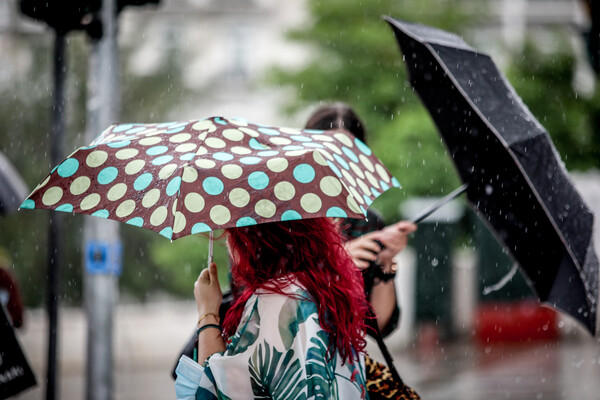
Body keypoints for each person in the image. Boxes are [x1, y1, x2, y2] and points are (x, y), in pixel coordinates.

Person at [174, 218, 371, 399]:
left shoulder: (274, 304)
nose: (227, 243)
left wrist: (207, 312)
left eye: (232, 233)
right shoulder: (325, 289)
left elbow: (218, 391)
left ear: (253, 241)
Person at [304, 103, 417, 336]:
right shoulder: (279, 220)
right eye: (325, 152)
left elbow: (379, 326)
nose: (335, 164)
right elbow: (259, 299)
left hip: (343, 362)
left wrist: (385, 263)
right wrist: (336, 259)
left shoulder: (367, 223)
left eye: (347, 155)